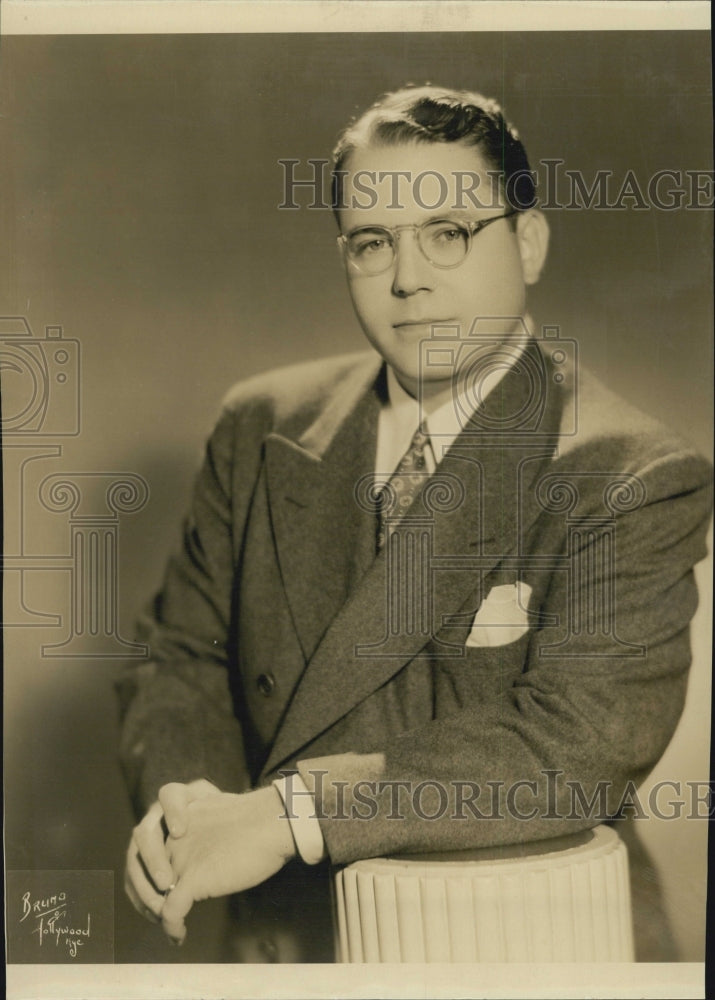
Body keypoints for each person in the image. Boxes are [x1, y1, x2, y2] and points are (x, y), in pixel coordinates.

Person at [117, 85, 712, 962]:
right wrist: (191, 813)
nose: (407, 276)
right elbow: (176, 660)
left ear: (530, 242)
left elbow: (572, 746)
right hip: (294, 941)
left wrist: (284, 815)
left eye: (447, 233)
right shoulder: (259, 426)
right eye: (371, 243)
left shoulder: (628, 473)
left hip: (529, 950)